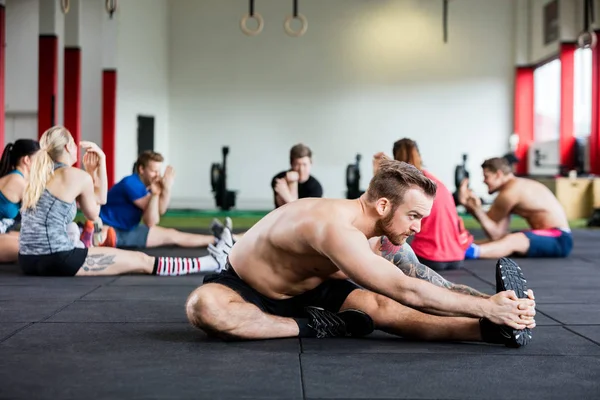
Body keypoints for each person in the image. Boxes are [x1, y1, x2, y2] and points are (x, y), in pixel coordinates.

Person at [186, 160, 536, 348]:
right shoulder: (333, 227)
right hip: (246, 285)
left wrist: (498, 307)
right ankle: (313, 327)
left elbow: (421, 280)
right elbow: (409, 291)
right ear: (383, 205)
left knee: (383, 308)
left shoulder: (379, 234)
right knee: (205, 308)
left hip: (309, 288)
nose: (418, 227)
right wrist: (488, 307)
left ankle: (489, 333)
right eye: (413, 216)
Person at [18, 126, 233, 277]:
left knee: (76, 230)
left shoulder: (36, 178)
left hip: (27, 260)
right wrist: (100, 163)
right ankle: (210, 263)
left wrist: (91, 174)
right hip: (58, 258)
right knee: (141, 260)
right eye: (74, 143)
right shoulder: (75, 176)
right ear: (66, 149)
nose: (76, 147)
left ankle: (215, 254)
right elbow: (97, 206)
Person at [376, 138, 472, 270]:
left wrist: (377, 171)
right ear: (419, 156)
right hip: (456, 257)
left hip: (429, 257)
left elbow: (380, 213)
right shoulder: (433, 180)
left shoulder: (404, 186)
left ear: (395, 158)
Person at [93, 150, 217, 249]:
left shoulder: (147, 186)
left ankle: (220, 239)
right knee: (172, 236)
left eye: (159, 171)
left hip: (127, 228)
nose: (158, 175)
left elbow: (159, 211)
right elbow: (151, 220)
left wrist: (165, 190)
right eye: (153, 171)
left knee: (173, 234)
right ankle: (220, 239)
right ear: (141, 169)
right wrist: (160, 192)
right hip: (112, 231)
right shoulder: (131, 183)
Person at [459, 157, 572, 259]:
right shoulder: (514, 187)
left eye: (486, 176)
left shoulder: (510, 192)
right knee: (503, 239)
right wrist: (472, 208)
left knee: (513, 240)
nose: (484, 181)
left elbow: (492, 232)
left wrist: (475, 209)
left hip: (559, 239)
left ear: (498, 174)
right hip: (546, 235)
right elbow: (497, 233)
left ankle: (468, 251)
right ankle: (460, 248)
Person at [0, 139, 40, 263]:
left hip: (3, 233)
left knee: (32, 240)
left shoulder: (18, 179)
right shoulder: (17, 181)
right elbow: (42, 214)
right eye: (40, 160)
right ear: (27, 160)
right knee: (38, 247)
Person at [271, 143, 323, 208]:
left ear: (311, 164)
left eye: (304, 164)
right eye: (297, 165)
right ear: (291, 164)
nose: (301, 169)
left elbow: (303, 212)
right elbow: (281, 209)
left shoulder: (316, 188)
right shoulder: (279, 179)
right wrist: (292, 183)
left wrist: (285, 194)